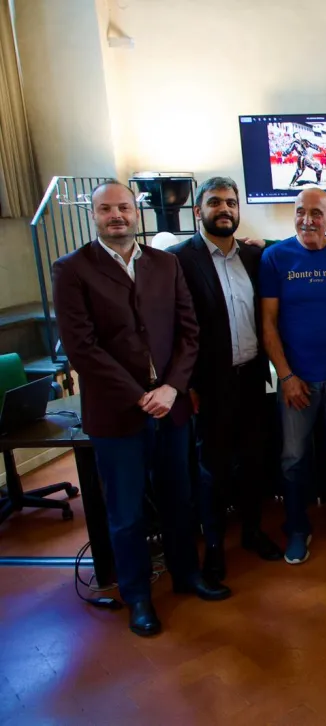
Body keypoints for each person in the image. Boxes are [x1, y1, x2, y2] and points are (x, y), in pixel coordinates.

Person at [52, 180, 229, 637]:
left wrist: (172, 387)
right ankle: (137, 596)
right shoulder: (72, 270)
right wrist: (138, 394)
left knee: (179, 497)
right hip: (117, 414)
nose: (118, 215)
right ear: (94, 215)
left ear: (136, 213)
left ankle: (187, 575)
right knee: (127, 512)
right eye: (107, 209)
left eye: (125, 208)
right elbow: (82, 348)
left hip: (171, 408)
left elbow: (190, 333)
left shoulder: (164, 264)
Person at [168, 176, 283, 583]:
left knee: (254, 460)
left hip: (252, 377)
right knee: (212, 469)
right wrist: (187, 384)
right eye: (215, 202)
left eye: (231, 203)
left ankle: (252, 532)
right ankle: (214, 546)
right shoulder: (178, 260)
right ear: (198, 210)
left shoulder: (255, 257)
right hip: (208, 384)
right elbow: (174, 330)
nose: (225, 209)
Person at [260, 187, 326, 565]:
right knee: (293, 457)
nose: (308, 219)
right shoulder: (275, 257)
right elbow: (268, 323)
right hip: (296, 380)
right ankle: (297, 527)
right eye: (301, 211)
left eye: (317, 213)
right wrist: (285, 376)